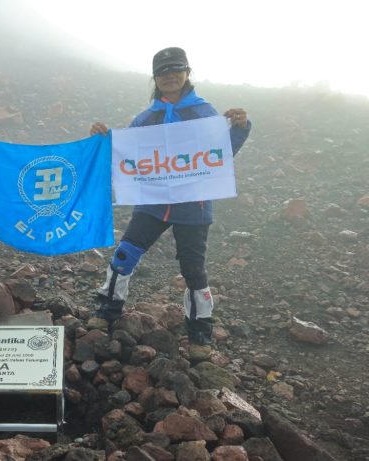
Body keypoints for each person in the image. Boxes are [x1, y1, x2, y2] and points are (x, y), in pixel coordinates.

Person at [90, 47, 251, 361]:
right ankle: (107, 310)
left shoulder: (204, 112)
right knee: (125, 255)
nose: (169, 76)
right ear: (155, 78)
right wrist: (103, 138)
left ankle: (200, 336)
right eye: (163, 72)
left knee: (193, 270)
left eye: (175, 70)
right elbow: (125, 152)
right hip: (152, 203)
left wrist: (240, 128)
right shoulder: (146, 117)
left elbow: (221, 152)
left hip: (194, 205)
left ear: (187, 72)